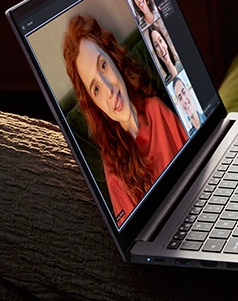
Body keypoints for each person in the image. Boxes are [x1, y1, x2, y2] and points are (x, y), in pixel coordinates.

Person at [63, 14, 188, 226]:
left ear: (113, 59)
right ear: (95, 105)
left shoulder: (156, 109)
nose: (109, 90)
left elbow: (195, 160)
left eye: (103, 66)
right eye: (96, 89)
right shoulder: (113, 164)